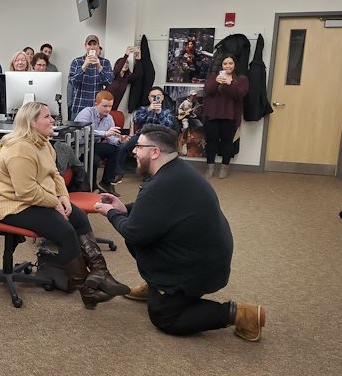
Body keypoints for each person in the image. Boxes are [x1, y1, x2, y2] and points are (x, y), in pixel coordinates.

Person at [93, 124, 266, 342]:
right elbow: (157, 209)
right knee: (136, 230)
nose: (134, 151)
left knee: (165, 318)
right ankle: (157, 286)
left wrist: (111, 213)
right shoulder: (176, 171)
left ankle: (242, 314)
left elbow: (135, 232)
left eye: (138, 146)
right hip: (204, 256)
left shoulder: (160, 186)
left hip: (198, 269)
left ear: (155, 152)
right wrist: (124, 208)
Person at [0, 101, 129, 309]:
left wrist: (63, 196)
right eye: (47, 117)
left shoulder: (43, 142)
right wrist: (55, 203)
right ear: (31, 122)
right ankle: (87, 291)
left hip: (38, 198)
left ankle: (101, 274)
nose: (52, 120)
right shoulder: (20, 149)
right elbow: (25, 192)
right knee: (64, 230)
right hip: (12, 204)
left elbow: (55, 174)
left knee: (79, 217)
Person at [202, 54, 249, 179]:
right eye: (225, 63)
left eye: (230, 63)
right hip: (212, 115)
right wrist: (216, 82)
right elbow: (207, 91)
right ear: (221, 65)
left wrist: (230, 83)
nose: (228, 66)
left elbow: (240, 95)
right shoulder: (213, 77)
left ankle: (225, 167)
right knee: (211, 142)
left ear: (235, 65)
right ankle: (210, 166)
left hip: (230, 116)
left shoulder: (241, 79)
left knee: (228, 143)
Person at [74, 91, 126, 196]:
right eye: (104, 106)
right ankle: (90, 188)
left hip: (93, 146)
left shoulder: (109, 118)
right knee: (94, 160)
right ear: (96, 104)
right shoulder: (87, 112)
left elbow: (111, 138)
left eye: (110, 106)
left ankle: (106, 182)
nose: (108, 109)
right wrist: (105, 133)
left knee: (116, 148)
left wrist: (120, 140)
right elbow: (83, 129)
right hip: (79, 146)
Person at [68, 35, 114, 119]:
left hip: (97, 108)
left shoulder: (105, 62)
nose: (92, 47)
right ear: (85, 46)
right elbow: (73, 82)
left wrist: (99, 67)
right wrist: (84, 66)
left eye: (94, 44)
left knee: (95, 132)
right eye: (89, 44)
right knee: (77, 132)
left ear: (98, 46)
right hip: (79, 106)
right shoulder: (77, 61)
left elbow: (109, 82)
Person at [108, 46, 143, 111]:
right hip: (104, 102)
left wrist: (138, 59)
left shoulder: (126, 78)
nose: (125, 64)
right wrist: (126, 55)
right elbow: (118, 69)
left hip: (114, 107)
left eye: (127, 63)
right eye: (123, 63)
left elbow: (138, 75)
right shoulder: (113, 74)